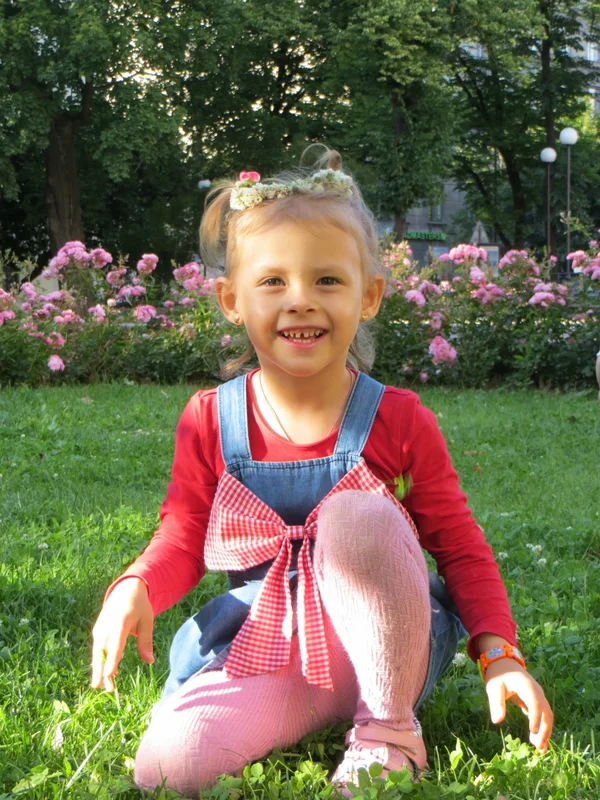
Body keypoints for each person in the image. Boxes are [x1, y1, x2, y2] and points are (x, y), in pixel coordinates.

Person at [91, 148, 553, 798]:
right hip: (272, 645)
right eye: (273, 281)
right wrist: (136, 584)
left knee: (357, 512)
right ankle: (313, 708)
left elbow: (459, 546)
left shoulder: (398, 419)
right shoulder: (210, 420)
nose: (300, 301)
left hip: (388, 645)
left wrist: (499, 652)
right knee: (168, 768)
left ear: (369, 296)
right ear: (231, 299)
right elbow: (184, 535)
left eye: (327, 280)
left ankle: (388, 731)